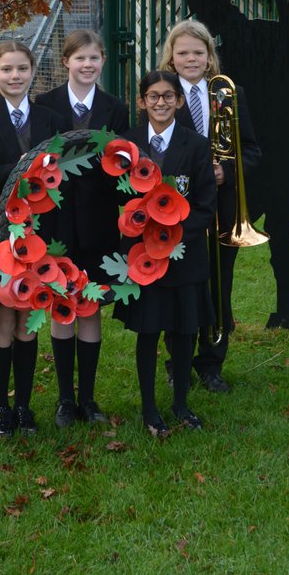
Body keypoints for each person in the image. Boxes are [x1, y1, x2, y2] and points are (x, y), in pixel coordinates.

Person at [187, 0, 289, 328]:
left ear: (210, 14)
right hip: (287, 153)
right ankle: (286, 314)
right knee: (284, 233)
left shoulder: (221, 56)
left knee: (227, 240)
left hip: (248, 157)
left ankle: (224, 315)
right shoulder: (272, 31)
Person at [0, 40, 66, 438]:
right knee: (3, 320)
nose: (14, 76)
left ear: (32, 71)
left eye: (22, 69)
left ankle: (24, 406)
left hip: (41, 234)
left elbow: (60, 175)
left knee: (30, 319)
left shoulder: (50, 118)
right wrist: (22, 169)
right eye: (6, 69)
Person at [159, 18, 261, 393]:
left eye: (198, 52)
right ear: (172, 56)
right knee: (181, 284)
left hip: (224, 205)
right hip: (177, 208)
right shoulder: (163, 93)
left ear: (209, 56)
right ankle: (178, 360)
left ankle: (212, 362)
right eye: (182, 52)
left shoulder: (228, 94)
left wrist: (227, 171)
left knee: (220, 285)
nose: (190, 59)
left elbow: (251, 149)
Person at [34, 28, 129, 426]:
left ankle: (88, 399)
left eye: (94, 58)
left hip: (99, 220)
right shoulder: (45, 104)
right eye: (80, 58)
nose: (87, 65)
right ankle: (63, 400)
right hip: (56, 220)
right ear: (66, 62)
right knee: (61, 306)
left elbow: (122, 166)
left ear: (102, 61)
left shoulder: (115, 107)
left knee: (90, 305)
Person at [114, 69, 217, 434]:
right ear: (142, 101)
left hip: (184, 255)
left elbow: (206, 205)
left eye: (168, 96)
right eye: (153, 96)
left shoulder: (196, 145)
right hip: (143, 257)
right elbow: (118, 201)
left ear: (178, 100)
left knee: (184, 331)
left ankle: (181, 404)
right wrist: (142, 233)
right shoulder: (126, 146)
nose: (161, 102)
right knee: (149, 330)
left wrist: (173, 234)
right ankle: (148, 409)